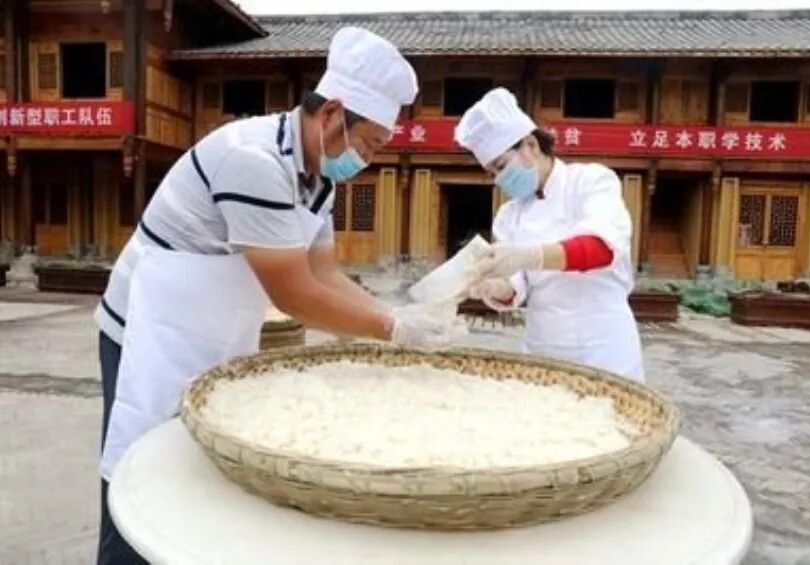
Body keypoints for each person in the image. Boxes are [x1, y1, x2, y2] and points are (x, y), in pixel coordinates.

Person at [94, 27, 458, 563]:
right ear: (332, 113)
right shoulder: (254, 160)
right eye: (368, 143)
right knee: (141, 475)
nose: (367, 159)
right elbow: (295, 294)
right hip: (148, 330)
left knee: (194, 478)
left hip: (211, 327)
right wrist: (394, 329)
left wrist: (393, 313)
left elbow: (324, 274)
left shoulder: (318, 180)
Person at [456, 88, 644, 383]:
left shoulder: (590, 181)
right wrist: (491, 286)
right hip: (544, 346)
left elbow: (600, 249)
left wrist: (530, 256)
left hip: (603, 345)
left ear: (531, 145)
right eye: (492, 173)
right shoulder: (509, 215)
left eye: (501, 166)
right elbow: (516, 286)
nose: (499, 179)